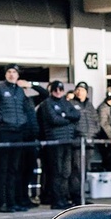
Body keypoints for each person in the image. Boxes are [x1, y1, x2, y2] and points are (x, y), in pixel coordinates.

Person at [0, 63, 34, 212]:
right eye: (9, 72)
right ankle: (3, 203)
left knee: (14, 169)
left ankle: (13, 202)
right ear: (6, 74)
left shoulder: (20, 90)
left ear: (18, 75)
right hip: (4, 132)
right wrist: (2, 119)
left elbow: (26, 108)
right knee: (3, 169)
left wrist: (23, 121)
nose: (12, 74)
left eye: (14, 72)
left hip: (18, 132)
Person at [37, 80, 80, 209]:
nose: (58, 92)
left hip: (67, 140)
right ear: (51, 91)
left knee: (66, 172)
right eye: (55, 89)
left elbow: (77, 115)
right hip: (55, 141)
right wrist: (69, 119)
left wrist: (64, 115)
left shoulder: (65, 102)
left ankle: (63, 197)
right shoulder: (47, 103)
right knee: (56, 171)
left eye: (60, 89)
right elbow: (53, 120)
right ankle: (56, 199)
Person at [69, 82, 100, 203]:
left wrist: (92, 133)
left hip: (89, 142)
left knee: (85, 169)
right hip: (77, 142)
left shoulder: (90, 105)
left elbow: (96, 122)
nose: (79, 92)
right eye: (78, 90)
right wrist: (78, 133)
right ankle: (76, 196)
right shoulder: (71, 104)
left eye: (82, 90)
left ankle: (82, 195)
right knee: (77, 170)